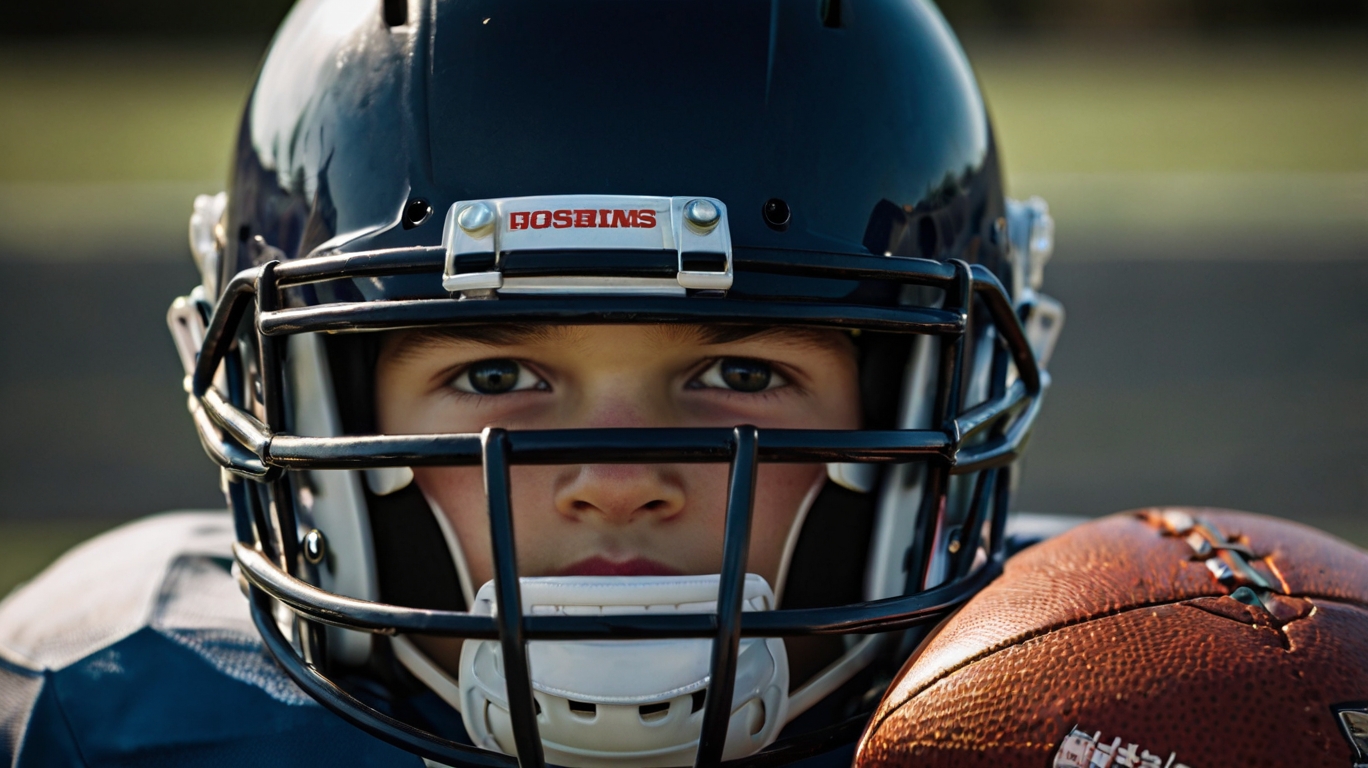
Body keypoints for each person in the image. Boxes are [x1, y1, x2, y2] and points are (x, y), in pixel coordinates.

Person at [0, 0, 1066, 765]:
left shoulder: (1081, 695)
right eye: (496, 370)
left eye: (741, 370)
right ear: (310, 404)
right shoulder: (112, 716)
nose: (612, 479)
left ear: (929, 396)